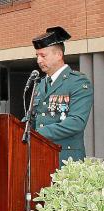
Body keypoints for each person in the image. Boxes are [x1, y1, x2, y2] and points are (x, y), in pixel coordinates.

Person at [32, 27, 93, 167]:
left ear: (59, 55)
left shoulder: (78, 82)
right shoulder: (40, 84)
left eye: (43, 55)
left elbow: (76, 122)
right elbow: (34, 117)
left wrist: (37, 133)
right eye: (37, 56)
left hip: (65, 159)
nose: (38, 60)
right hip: (40, 155)